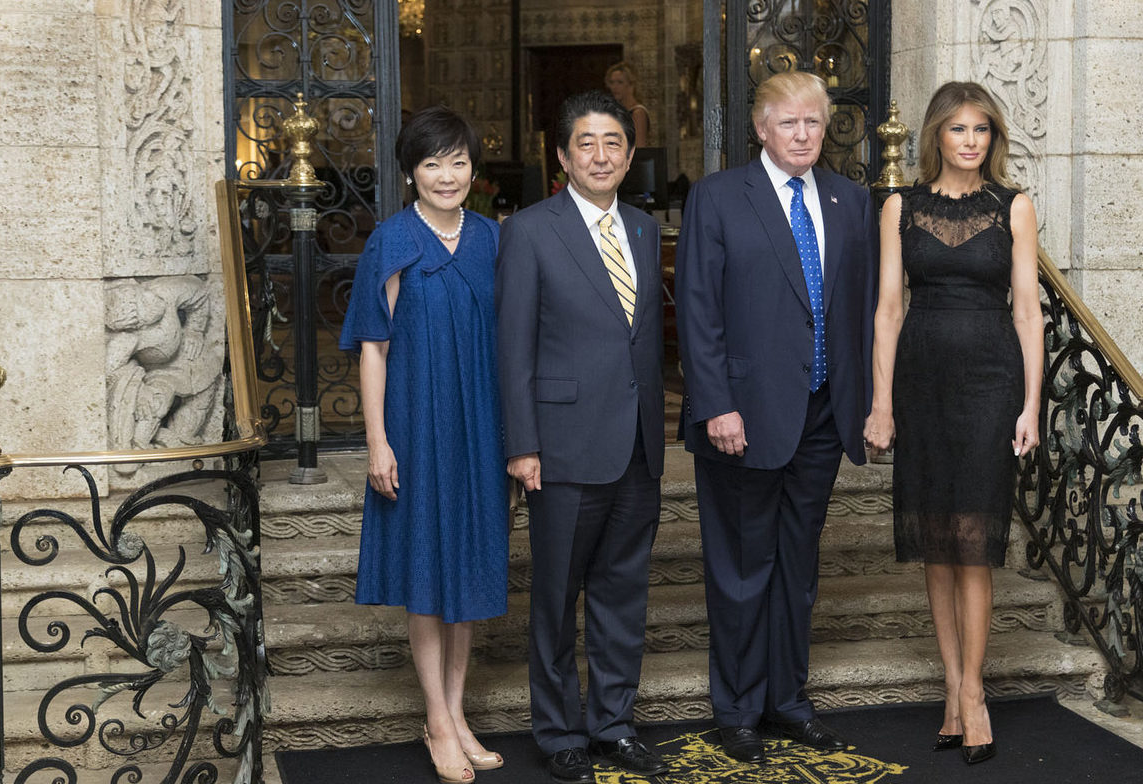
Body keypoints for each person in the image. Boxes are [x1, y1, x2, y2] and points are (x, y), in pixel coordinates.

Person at [674, 70, 878, 764]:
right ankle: (736, 711)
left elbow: (864, 309)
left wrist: (871, 403)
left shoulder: (850, 201)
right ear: (760, 128)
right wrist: (715, 405)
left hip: (823, 413)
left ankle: (788, 701)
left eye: (813, 123)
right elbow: (697, 310)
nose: (801, 134)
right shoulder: (719, 197)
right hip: (744, 417)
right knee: (740, 571)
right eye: (787, 122)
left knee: (798, 568)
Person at [862, 81, 1043, 766]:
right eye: (959, 130)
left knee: (973, 541)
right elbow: (887, 308)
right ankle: (951, 686)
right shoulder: (899, 208)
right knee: (935, 543)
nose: (970, 142)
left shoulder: (1013, 207)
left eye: (983, 131)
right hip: (922, 379)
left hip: (992, 380)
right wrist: (881, 403)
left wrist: (1031, 405)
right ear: (936, 134)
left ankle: (973, 693)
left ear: (993, 139)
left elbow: (1029, 313)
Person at [495, 91, 668, 784]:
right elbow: (514, 349)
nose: (601, 155)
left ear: (629, 155)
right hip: (561, 445)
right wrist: (523, 443)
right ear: (563, 156)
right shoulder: (531, 230)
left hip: (637, 444)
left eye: (613, 143)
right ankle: (560, 728)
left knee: (623, 593)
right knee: (557, 595)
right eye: (586, 143)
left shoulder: (647, 229)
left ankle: (615, 723)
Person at [338, 106, 508, 784]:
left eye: (459, 161)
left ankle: (459, 711)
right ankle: (436, 717)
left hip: (482, 427)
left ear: (474, 168)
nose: (447, 175)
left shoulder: (495, 239)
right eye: (433, 162)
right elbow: (373, 350)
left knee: (468, 570)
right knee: (426, 572)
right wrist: (379, 442)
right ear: (411, 172)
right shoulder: (390, 240)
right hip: (417, 425)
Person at [604, 61, 651, 147]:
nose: (615, 87)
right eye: (612, 82)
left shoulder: (637, 113)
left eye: (620, 82)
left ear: (631, 85)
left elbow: (639, 147)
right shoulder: (617, 111)